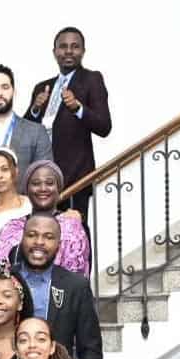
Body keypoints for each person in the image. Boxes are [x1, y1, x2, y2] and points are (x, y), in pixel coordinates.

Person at [25, 27, 112, 222]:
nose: (69, 51)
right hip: (42, 178)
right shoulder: (42, 87)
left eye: (75, 46)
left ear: (83, 51)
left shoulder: (92, 79)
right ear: (55, 51)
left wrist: (78, 108)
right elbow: (25, 132)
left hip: (76, 178)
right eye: (63, 46)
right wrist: (35, 109)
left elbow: (104, 126)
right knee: (44, 235)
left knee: (75, 236)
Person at [15, 215, 103, 359]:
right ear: (22, 239)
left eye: (48, 237)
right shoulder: (6, 279)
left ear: (59, 245)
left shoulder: (75, 285)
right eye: (32, 235)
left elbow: (91, 347)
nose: (39, 242)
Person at [0, 160, 90, 276]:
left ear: (59, 189)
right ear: (27, 189)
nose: (43, 188)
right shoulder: (11, 227)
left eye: (50, 183)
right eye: (36, 183)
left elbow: (77, 280)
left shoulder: (72, 228)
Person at [0, 65, 52, 180]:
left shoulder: (36, 132)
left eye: (5, 87)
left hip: (23, 197)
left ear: (14, 92)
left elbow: (46, 175)